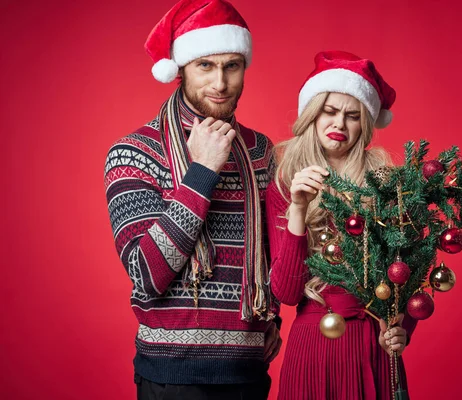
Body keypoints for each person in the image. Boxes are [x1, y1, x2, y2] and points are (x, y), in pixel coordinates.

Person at [104, 1, 281, 399]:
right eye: (205, 65)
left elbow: (276, 251)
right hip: (172, 375)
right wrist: (201, 172)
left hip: (248, 371)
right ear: (181, 69)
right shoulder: (134, 153)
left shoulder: (260, 152)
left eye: (232, 65)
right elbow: (147, 276)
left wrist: (274, 319)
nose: (220, 82)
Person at [265, 51, 418, 399]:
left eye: (352, 116)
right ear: (312, 115)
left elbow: (409, 270)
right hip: (312, 345)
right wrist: (299, 209)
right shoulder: (284, 182)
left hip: (372, 342)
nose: (339, 124)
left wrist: (402, 329)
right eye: (329, 112)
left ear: (364, 124)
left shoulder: (386, 183)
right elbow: (287, 294)